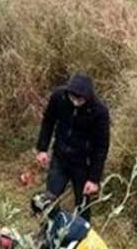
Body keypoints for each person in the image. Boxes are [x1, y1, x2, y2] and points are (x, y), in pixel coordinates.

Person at [35, 73, 110, 221]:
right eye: (72, 98)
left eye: (79, 99)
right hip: (60, 157)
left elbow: (101, 147)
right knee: (50, 200)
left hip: (83, 164)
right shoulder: (58, 97)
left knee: (83, 206)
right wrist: (42, 148)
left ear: (88, 97)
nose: (75, 102)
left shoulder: (99, 112)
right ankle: (48, 233)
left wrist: (94, 179)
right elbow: (48, 121)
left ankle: (82, 238)